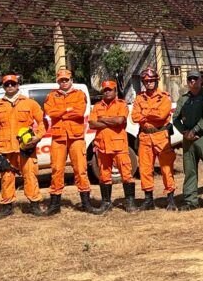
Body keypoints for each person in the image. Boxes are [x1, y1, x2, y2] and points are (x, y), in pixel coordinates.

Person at [0, 74, 46, 219]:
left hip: (26, 148)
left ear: (18, 85)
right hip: (5, 148)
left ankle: (34, 204)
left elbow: (43, 122)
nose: (10, 86)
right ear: (3, 86)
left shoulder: (30, 103)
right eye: (7, 84)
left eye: (13, 83)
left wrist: (37, 137)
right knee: (7, 177)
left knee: (30, 175)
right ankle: (7, 206)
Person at [43, 69, 98, 215]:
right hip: (58, 138)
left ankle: (86, 203)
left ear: (71, 80)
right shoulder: (51, 96)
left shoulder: (80, 94)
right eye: (61, 80)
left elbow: (79, 112)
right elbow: (50, 112)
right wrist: (67, 110)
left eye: (66, 80)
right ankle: (55, 205)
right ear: (58, 82)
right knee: (56, 170)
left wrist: (60, 113)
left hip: (76, 137)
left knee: (80, 170)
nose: (64, 82)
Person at [173, 70, 203, 211]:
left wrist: (194, 130)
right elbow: (175, 118)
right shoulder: (183, 99)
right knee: (190, 170)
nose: (192, 81)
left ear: (201, 80)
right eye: (190, 79)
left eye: (195, 78)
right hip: (188, 139)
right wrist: (184, 132)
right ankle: (190, 200)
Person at [131, 67, 177, 211]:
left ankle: (171, 200)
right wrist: (152, 113)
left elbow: (162, 115)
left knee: (166, 168)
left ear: (156, 81)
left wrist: (144, 113)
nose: (149, 83)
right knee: (145, 169)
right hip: (145, 136)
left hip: (161, 136)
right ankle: (148, 200)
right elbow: (134, 117)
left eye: (151, 80)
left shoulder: (164, 97)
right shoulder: (139, 98)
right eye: (146, 81)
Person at [88, 80, 134, 213]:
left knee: (126, 174)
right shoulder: (97, 106)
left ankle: (130, 202)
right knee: (104, 175)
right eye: (105, 90)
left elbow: (120, 121)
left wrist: (102, 119)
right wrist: (111, 122)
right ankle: (106, 203)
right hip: (102, 146)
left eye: (110, 90)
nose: (107, 92)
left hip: (119, 146)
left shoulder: (121, 104)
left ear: (115, 91)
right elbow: (92, 124)